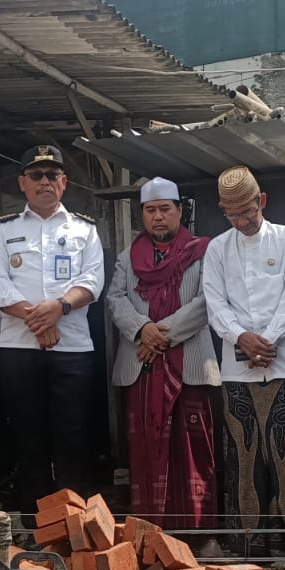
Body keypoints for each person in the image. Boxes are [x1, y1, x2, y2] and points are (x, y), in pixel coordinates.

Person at [202, 166, 285, 556]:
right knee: (244, 459)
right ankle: (249, 545)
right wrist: (241, 338)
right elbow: (214, 302)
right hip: (237, 370)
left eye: (246, 211)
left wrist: (267, 340)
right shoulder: (217, 248)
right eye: (231, 214)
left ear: (262, 202)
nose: (241, 221)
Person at [0, 145, 103, 521]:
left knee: (73, 437)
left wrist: (59, 309)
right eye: (36, 175)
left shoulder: (85, 229)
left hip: (72, 351)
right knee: (28, 438)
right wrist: (40, 321)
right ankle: (36, 525)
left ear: (64, 183)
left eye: (53, 175)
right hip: (19, 350)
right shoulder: (3, 230)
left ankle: (75, 523)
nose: (45, 181)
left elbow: (93, 280)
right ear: (23, 183)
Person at [108, 177, 221, 549]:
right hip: (141, 367)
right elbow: (115, 299)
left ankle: (199, 536)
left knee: (193, 448)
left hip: (189, 362)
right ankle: (149, 537)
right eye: (150, 210)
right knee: (145, 452)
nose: (157, 217)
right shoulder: (128, 257)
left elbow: (206, 302)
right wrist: (143, 329)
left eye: (164, 209)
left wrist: (161, 334)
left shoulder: (203, 251)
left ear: (179, 210)